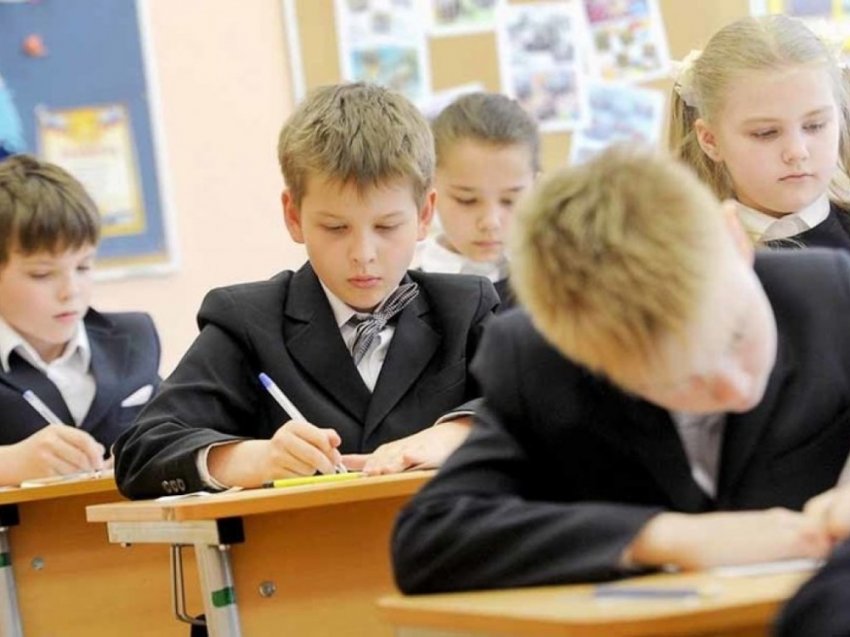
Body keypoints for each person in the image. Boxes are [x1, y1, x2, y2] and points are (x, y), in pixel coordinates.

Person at [390, 144, 850, 594]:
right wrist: (665, 536)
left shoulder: (835, 294)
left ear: (734, 238)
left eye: (736, 335)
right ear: (589, 359)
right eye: (678, 379)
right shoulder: (544, 361)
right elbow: (429, 537)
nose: (735, 387)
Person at [114, 83, 498, 499]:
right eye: (335, 227)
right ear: (294, 216)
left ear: (424, 215)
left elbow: (537, 405)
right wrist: (252, 459)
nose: (363, 254)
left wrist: (454, 434)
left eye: (387, 226)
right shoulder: (247, 323)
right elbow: (141, 452)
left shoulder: (465, 308)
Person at [0, 154, 160, 485]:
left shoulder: (134, 338)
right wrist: (9, 464)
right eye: (42, 274)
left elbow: (182, 427)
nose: (70, 291)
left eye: (83, 267)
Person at [669, 14, 850, 248]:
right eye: (766, 133)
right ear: (710, 140)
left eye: (815, 125)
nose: (797, 152)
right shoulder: (684, 254)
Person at [414, 92, 539, 309]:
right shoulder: (404, 291)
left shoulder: (554, 289)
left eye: (509, 201)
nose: (490, 222)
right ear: (429, 188)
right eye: (468, 200)